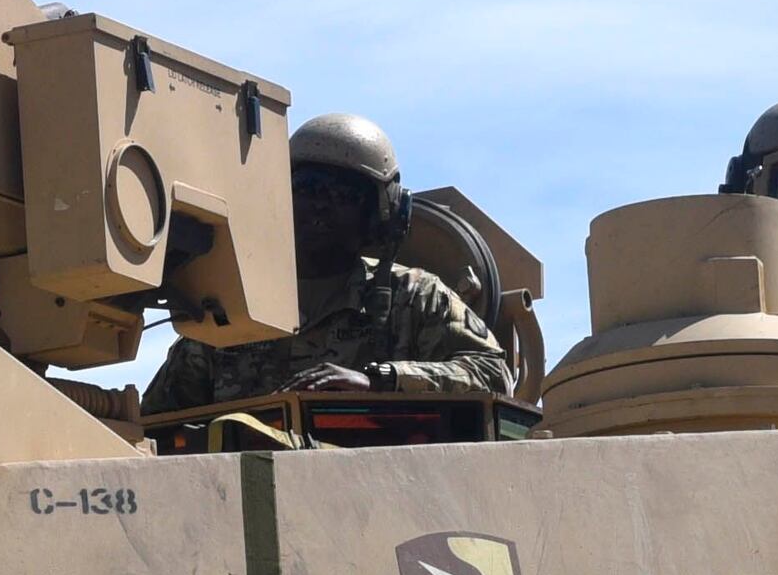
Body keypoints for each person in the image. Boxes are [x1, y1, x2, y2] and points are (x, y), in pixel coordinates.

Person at [145, 111, 513, 414]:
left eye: (343, 194)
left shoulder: (414, 297)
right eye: (307, 188)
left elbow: (493, 374)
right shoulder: (234, 307)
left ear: (379, 214)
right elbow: (157, 419)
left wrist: (380, 380)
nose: (321, 205)